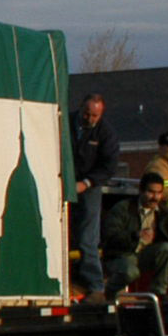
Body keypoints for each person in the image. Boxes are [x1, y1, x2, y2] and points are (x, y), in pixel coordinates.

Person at [68, 91, 119, 297]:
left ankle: (95, 285)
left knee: (88, 236)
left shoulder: (106, 133)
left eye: (94, 116)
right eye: (87, 114)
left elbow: (109, 166)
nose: (90, 119)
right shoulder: (67, 123)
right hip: (64, 182)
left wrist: (86, 183)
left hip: (90, 185)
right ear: (81, 108)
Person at [138, 169, 168, 297]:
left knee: (167, 248)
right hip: (126, 254)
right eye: (151, 192)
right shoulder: (125, 209)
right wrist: (135, 235)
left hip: (145, 256)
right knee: (128, 270)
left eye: (159, 193)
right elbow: (112, 234)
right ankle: (111, 291)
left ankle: (159, 291)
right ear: (141, 191)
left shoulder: (163, 213)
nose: (155, 197)